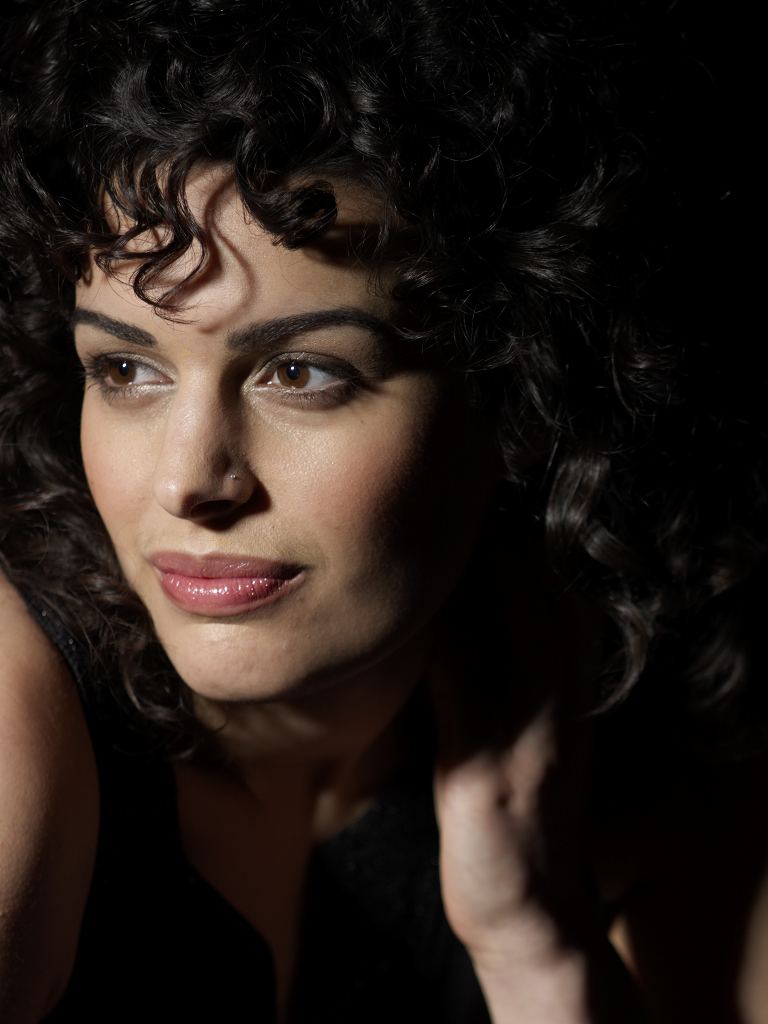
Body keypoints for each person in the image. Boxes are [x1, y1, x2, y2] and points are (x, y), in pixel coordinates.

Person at [0, 1, 765, 1022]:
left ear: (519, 394)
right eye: (128, 368)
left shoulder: (648, 747)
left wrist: (534, 944)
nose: (189, 481)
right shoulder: (14, 710)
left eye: (301, 372)